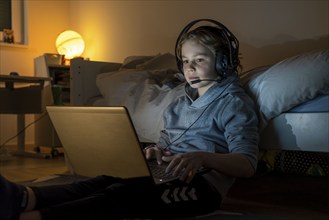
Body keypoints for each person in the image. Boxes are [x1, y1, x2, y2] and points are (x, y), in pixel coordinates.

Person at [0, 19, 259, 220]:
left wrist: (203, 157)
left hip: (201, 188)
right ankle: (24, 197)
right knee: (103, 181)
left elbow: (247, 164)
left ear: (223, 63)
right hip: (165, 173)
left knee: (119, 196)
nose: (189, 68)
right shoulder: (180, 102)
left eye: (199, 60)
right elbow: (168, 139)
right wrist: (156, 150)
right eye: (185, 61)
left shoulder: (234, 104)